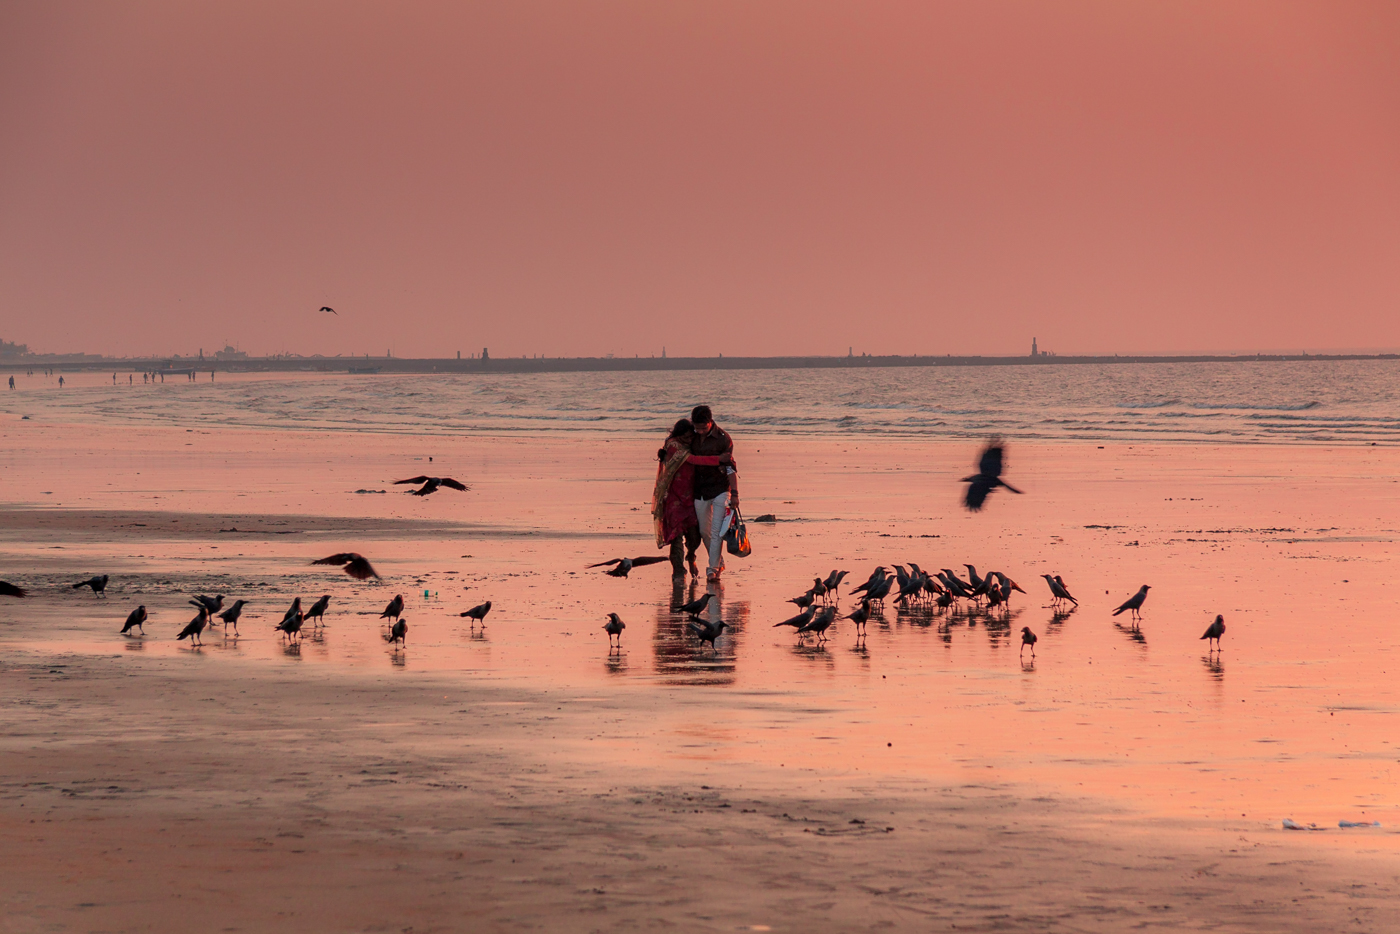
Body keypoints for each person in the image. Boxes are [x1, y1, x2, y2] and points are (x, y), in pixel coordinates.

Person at [653, 420, 711, 580]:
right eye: (685, 437)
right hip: (673, 497)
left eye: (690, 437)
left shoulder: (694, 443)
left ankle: (691, 556)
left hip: (691, 496)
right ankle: (678, 571)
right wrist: (718, 459)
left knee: (694, 536)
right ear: (678, 435)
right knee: (675, 536)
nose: (688, 440)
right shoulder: (673, 445)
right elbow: (691, 460)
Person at [689, 405, 738, 581]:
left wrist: (735, 494)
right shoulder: (691, 435)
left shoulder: (724, 439)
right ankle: (719, 562)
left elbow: (730, 468)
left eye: (703, 427)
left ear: (711, 422)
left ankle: (712, 569)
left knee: (717, 530)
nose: (700, 431)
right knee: (704, 531)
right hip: (699, 489)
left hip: (720, 488)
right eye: (697, 427)